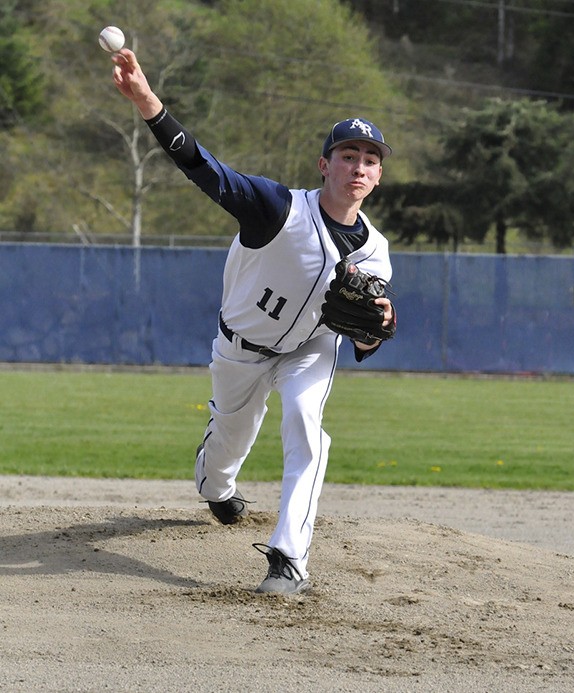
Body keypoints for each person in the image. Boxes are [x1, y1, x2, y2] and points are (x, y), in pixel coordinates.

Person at [111, 48, 395, 595]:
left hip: (309, 351)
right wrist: (148, 102)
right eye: (347, 154)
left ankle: (288, 560)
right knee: (226, 452)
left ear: (378, 176)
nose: (357, 166)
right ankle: (216, 487)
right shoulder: (276, 206)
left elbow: (367, 333)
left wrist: (379, 324)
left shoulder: (377, 252)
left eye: (369, 159)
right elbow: (203, 167)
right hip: (240, 348)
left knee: (306, 426)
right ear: (324, 165)